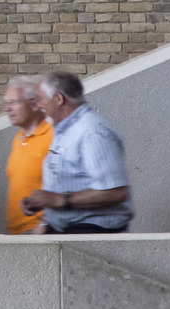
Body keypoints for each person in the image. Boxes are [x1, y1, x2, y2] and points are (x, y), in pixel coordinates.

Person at [20, 71, 132, 233]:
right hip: (66, 229)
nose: (37, 107)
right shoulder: (65, 130)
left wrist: (59, 200)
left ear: (58, 99)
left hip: (94, 233)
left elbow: (116, 192)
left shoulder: (92, 132)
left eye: (40, 100)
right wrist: (46, 210)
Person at [0, 76, 54, 236]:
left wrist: (46, 223)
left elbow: (66, 185)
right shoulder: (18, 139)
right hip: (17, 233)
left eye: (14, 102)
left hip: (41, 232)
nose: (7, 109)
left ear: (35, 103)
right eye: (6, 103)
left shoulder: (53, 136)